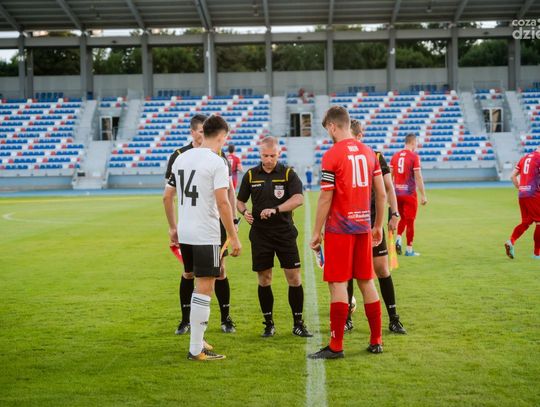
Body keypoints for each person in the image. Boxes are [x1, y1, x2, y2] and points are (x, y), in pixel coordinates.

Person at [308, 106, 386, 359]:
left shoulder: (332, 154)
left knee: (338, 284)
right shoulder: (369, 153)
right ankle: (376, 340)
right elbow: (381, 193)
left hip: (339, 230)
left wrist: (316, 232)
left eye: (327, 129)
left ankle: (336, 345)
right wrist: (378, 225)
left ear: (332, 126)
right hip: (363, 227)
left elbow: (325, 197)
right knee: (366, 281)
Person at [163, 115, 241, 361]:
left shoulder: (181, 158)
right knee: (205, 287)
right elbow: (223, 202)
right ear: (222, 136)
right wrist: (233, 236)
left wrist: (173, 227)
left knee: (197, 282)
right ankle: (196, 348)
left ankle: (198, 338)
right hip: (206, 232)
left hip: (185, 231)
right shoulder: (217, 162)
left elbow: (167, 197)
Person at [237, 136, 312, 338]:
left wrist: (276, 209)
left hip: (285, 233)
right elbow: (240, 201)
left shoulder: (288, 173)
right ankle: (268, 324)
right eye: (265, 156)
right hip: (260, 235)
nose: (268, 159)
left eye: (272, 155)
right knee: (264, 278)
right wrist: (245, 212)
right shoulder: (251, 175)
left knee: (294, 277)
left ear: (279, 154)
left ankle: (298, 323)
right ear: (260, 154)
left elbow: (298, 198)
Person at [346, 119, 407, 334]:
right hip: (348, 223)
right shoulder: (341, 156)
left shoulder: (376, 156)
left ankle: (394, 319)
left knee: (381, 269)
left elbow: (388, 188)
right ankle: (346, 319)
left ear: (359, 136)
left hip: (373, 222)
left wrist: (394, 213)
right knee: (348, 271)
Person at [389, 134, 427, 256]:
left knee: (403, 218)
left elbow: (389, 177)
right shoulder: (414, 157)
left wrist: (389, 195)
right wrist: (423, 195)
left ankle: (398, 238)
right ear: (413, 142)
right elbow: (418, 177)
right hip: (409, 194)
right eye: (416, 143)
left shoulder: (395, 156)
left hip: (397, 194)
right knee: (410, 221)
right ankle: (409, 250)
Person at [505, 145, 540, 259]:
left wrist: (521, 188)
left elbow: (512, 176)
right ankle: (537, 254)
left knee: (526, 221)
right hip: (534, 194)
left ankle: (511, 241)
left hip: (522, 194)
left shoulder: (524, 158)